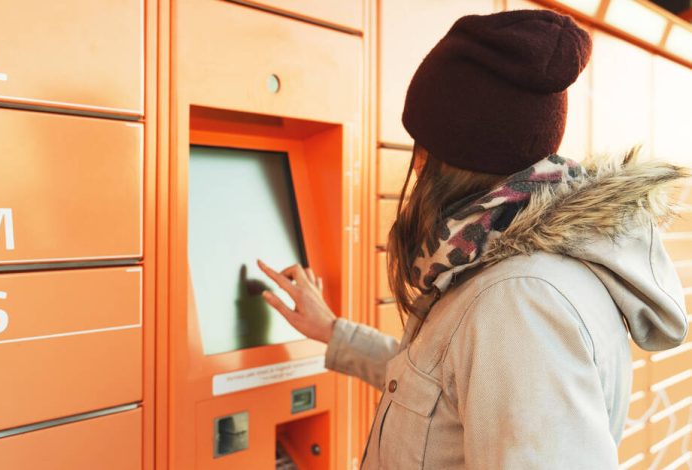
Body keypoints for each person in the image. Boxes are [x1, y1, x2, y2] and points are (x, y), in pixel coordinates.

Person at [258, 8, 690, 469]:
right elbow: (444, 391)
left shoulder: (520, 303)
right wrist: (334, 334)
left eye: (422, 148)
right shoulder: (509, 273)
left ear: (442, 160)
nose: (416, 165)